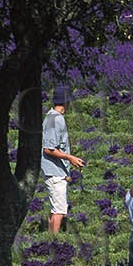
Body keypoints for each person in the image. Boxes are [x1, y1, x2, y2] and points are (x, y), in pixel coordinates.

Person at [41, 86, 84, 234]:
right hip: (54, 171)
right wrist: (70, 158)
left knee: (55, 208)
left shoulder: (51, 117)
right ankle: (54, 241)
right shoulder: (55, 119)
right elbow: (48, 148)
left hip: (54, 170)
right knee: (60, 210)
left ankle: (51, 238)